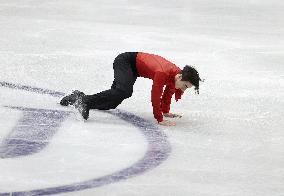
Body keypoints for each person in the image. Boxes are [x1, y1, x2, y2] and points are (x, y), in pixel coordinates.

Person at [60, 52, 203, 126]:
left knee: (112, 102)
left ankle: (77, 96)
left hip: (133, 69)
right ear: (180, 78)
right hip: (125, 61)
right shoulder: (163, 72)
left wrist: (165, 112)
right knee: (124, 91)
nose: (183, 90)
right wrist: (159, 118)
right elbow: (155, 96)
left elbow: (168, 92)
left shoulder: (176, 75)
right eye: (185, 86)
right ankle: (84, 101)